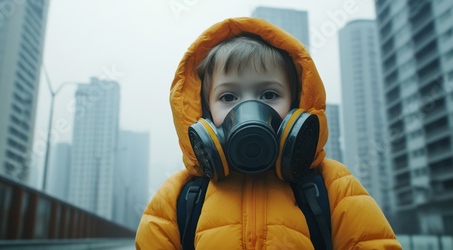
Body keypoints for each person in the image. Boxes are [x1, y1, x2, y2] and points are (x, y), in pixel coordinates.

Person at [135, 17, 401, 249]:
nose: (249, 111)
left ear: (296, 105)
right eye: (229, 96)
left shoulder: (333, 187)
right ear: (205, 115)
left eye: (269, 94)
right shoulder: (181, 196)